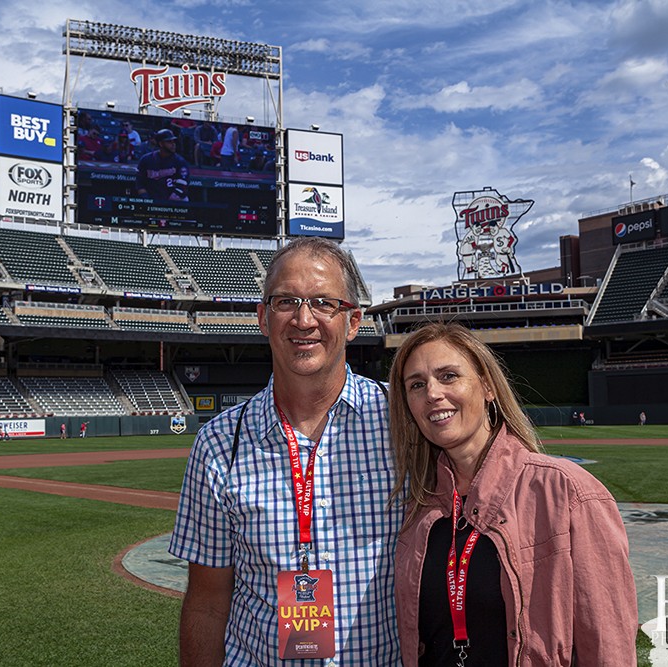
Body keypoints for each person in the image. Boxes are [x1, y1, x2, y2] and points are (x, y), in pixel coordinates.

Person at [170, 237, 401, 666]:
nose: (303, 319)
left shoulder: (403, 423)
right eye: (285, 302)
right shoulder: (220, 443)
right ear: (262, 318)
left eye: (323, 303)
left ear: (353, 322)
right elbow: (207, 603)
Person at [388, 323, 637, 666]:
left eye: (448, 376)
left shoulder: (567, 493)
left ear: (487, 386)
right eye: (417, 384)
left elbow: (609, 649)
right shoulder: (419, 506)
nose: (432, 393)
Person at [135, 128, 190, 201]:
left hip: (175, 199)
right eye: (169, 142)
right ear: (161, 144)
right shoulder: (146, 160)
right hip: (152, 198)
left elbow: (184, 184)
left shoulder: (180, 161)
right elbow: (139, 184)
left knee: (184, 199)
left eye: (174, 141)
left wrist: (170, 202)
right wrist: (147, 200)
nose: (173, 144)